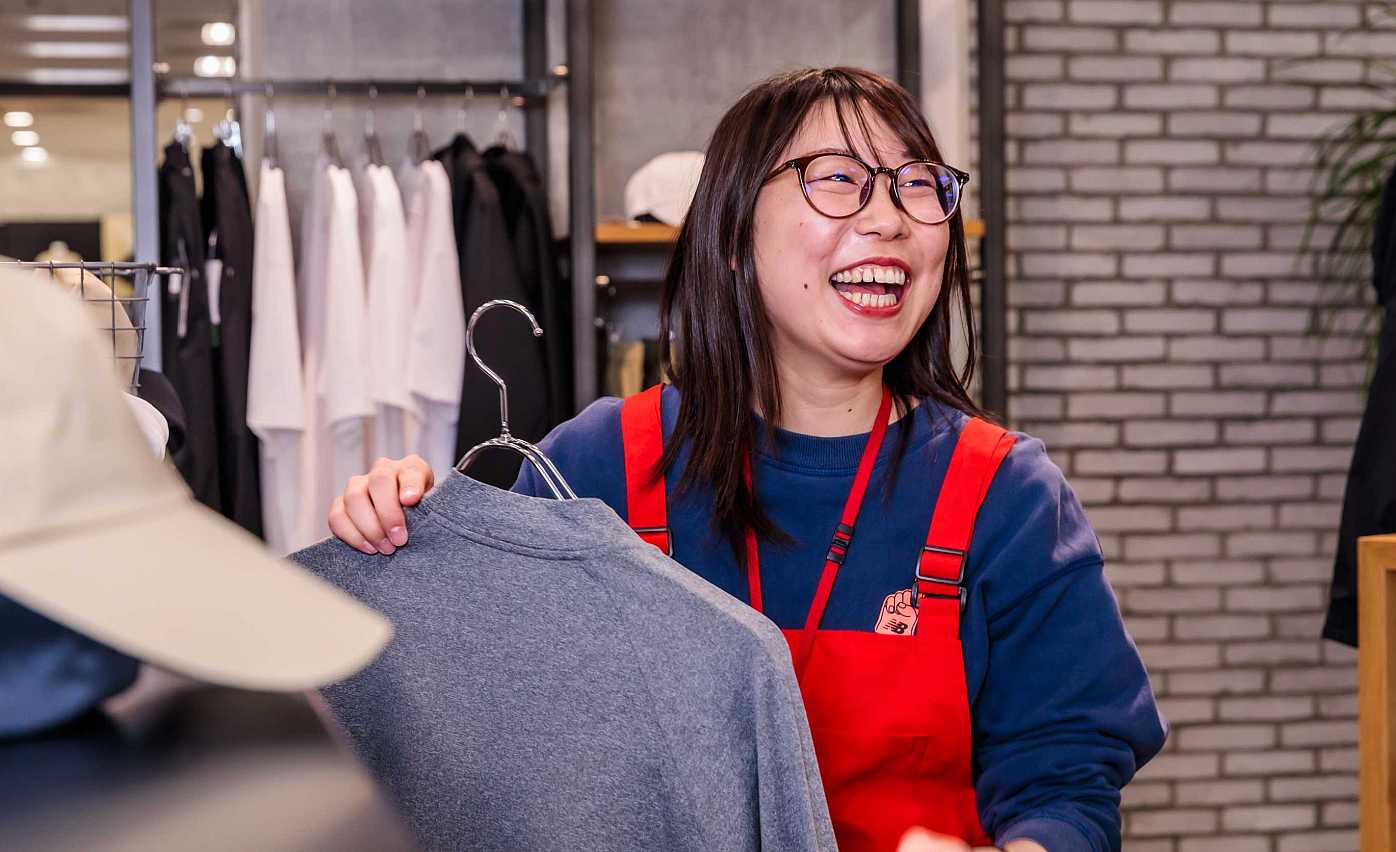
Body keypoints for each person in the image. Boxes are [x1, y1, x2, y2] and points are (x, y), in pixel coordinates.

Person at [326, 67, 1166, 852]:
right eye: (838, 178)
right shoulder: (596, 467)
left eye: (918, 184)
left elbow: (1068, 783)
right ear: (732, 234)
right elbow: (477, 727)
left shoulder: (1005, 497)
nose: (889, 218)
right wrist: (411, 544)